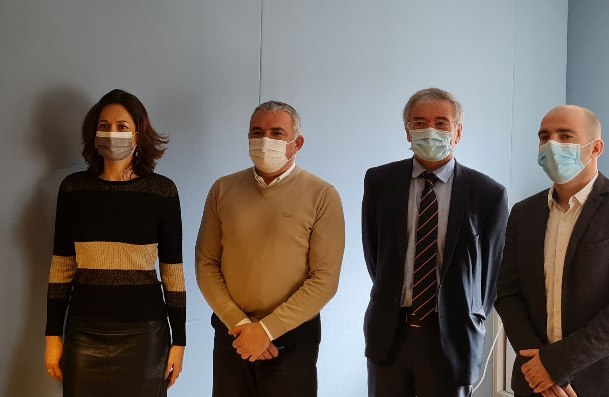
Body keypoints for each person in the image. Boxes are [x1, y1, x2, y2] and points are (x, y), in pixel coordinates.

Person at [362, 87, 508, 396]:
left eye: (441, 123)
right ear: (407, 131)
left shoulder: (488, 193)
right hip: (390, 333)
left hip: (453, 337)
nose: (430, 130)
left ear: (457, 133)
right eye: (420, 122)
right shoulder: (379, 182)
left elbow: (492, 273)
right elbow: (375, 254)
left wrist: (471, 316)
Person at [195, 100, 345, 396]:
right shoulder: (222, 189)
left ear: (297, 143)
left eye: (277, 133)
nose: (265, 140)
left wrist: (265, 331)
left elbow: (324, 279)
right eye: (257, 132)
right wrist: (242, 326)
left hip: (292, 339)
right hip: (232, 334)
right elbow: (206, 263)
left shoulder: (323, 195)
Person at [43, 89, 185, 396]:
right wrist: (53, 335)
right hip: (84, 331)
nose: (112, 133)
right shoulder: (73, 189)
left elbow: (172, 272)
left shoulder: (162, 192)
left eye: (122, 126)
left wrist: (179, 341)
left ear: (138, 133)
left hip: (145, 334)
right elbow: (61, 268)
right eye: (104, 126)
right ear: (93, 132)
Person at [496, 105, 609, 397]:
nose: (551, 144)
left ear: (596, 148)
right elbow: (507, 293)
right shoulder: (523, 213)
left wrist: (556, 365)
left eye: (565, 136)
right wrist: (537, 367)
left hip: (597, 382)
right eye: (544, 137)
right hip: (532, 380)